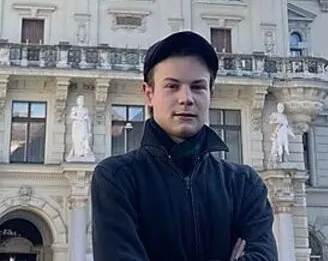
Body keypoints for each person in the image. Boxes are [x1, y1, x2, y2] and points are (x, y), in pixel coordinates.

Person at [90, 30, 276, 260]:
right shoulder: (117, 178)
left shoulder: (244, 184)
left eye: (198, 87)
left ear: (211, 94)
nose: (186, 98)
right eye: (172, 86)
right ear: (149, 94)